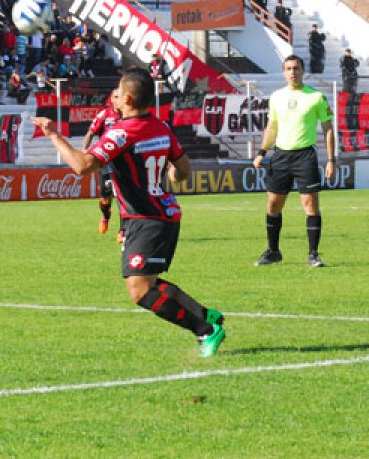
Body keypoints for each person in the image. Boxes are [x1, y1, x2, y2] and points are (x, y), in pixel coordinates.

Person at [32, 68, 226, 357]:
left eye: (119, 94)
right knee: (146, 280)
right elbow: (184, 170)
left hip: (146, 218)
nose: (116, 98)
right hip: (162, 213)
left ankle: (205, 331)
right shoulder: (161, 126)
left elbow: (82, 166)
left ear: (130, 99)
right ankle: (205, 315)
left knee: (139, 290)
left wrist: (54, 135)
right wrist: (166, 178)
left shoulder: (122, 133)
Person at [252, 55, 335, 268]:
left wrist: (331, 160)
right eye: (288, 68)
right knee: (273, 205)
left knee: (310, 205)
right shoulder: (277, 97)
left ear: (303, 71)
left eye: (296, 68)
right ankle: (273, 251)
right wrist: (262, 151)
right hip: (280, 156)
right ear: (283, 72)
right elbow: (272, 127)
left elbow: (328, 129)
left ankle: (313, 255)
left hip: (304, 156)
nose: (292, 72)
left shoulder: (316, 97)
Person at [82, 92, 122, 240]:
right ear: (111, 99)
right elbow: (90, 133)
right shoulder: (104, 115)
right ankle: (106, 215)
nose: (118, 99)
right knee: (106, 198)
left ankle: (123, 231)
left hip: (123, 160)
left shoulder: (128, 115)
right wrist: (84, 151)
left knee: (122, 195)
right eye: (116, 97)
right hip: (106, 159)